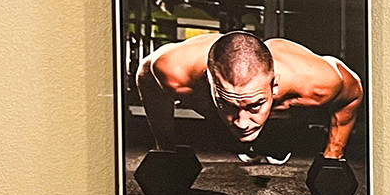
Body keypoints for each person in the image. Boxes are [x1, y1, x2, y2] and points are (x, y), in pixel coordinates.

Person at [135, 31, 363, 163]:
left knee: (276, 145)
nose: (241, 122)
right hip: (216, 120)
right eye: (228, 103)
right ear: (209, 81)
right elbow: (146, 78)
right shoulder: (173, 70)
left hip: (284, 121)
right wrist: (165, 147)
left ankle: (265, 141)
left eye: (254, 105)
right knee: (228, 132)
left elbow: (353, 94)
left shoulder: (316, 82)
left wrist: (333, 156)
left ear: (274, 85)